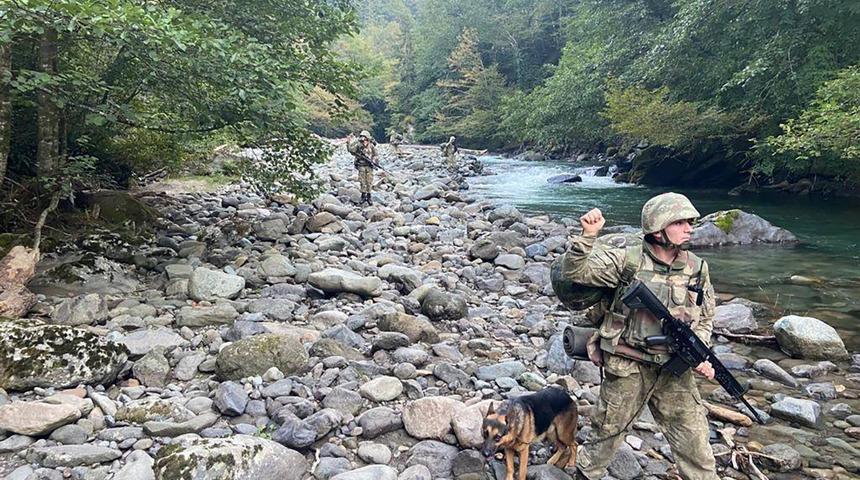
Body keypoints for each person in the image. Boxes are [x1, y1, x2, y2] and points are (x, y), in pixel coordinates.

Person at [567, 192, 720, 480]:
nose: (690, 228)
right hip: (628, 365)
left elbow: (706, 315)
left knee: (695, 444)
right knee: (605, 436)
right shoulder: (627, 260)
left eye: (690, 222)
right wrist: (588, 237)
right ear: (658, 227)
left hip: (674, 369)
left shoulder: (697, 268)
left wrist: (698, 352)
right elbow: (576, 272)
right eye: (681, 222)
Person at [346, 130, 378, 206]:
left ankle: (369, 196)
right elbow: (351, 150)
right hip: (361, 165)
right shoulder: (358, 145)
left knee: (369, 181)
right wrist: (348, 143)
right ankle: (363, 196)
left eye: (365, 139)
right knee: (362, 181)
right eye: (363, 139)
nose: (364, 141)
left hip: (369, 166)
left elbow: (376, 155)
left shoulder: (371, 146)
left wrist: (374, 161)